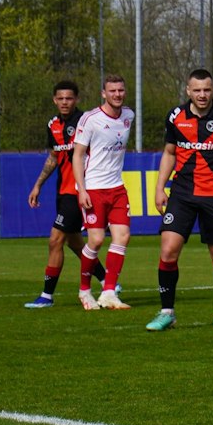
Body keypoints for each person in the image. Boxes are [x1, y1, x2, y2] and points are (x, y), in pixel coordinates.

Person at [147, 69, 213, 332]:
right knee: (168, 250)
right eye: (197, 90)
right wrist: (160, 188)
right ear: (188, 91)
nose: (202, 95)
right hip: (182, 194)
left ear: (212, 90)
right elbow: (169, 153)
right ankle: (167, 312)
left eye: (207, 90)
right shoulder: (176, 116)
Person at [71, 74, 136, 310]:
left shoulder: (129, 115)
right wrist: (82, 189)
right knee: (96, 240)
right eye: (112, 91)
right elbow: (77, 155)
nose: (117, 94)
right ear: (103, 93)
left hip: (117, 187)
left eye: (120, 90)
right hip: (94, 188)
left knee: (123, 236)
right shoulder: (90, 119)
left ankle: (109, 292)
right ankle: (84, 289)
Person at [23, 80, 85, 308]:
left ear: (76, 99)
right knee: (75, 243)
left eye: (69, 98)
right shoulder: (53, 125)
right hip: (62, 190)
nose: (65, 102)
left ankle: (47, 296)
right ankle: (106, 278)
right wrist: (38, 184)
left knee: (55, 240)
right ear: (54, 100)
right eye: (60, 98)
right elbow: (54, 157)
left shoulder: (85, 122)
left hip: (78, 191)